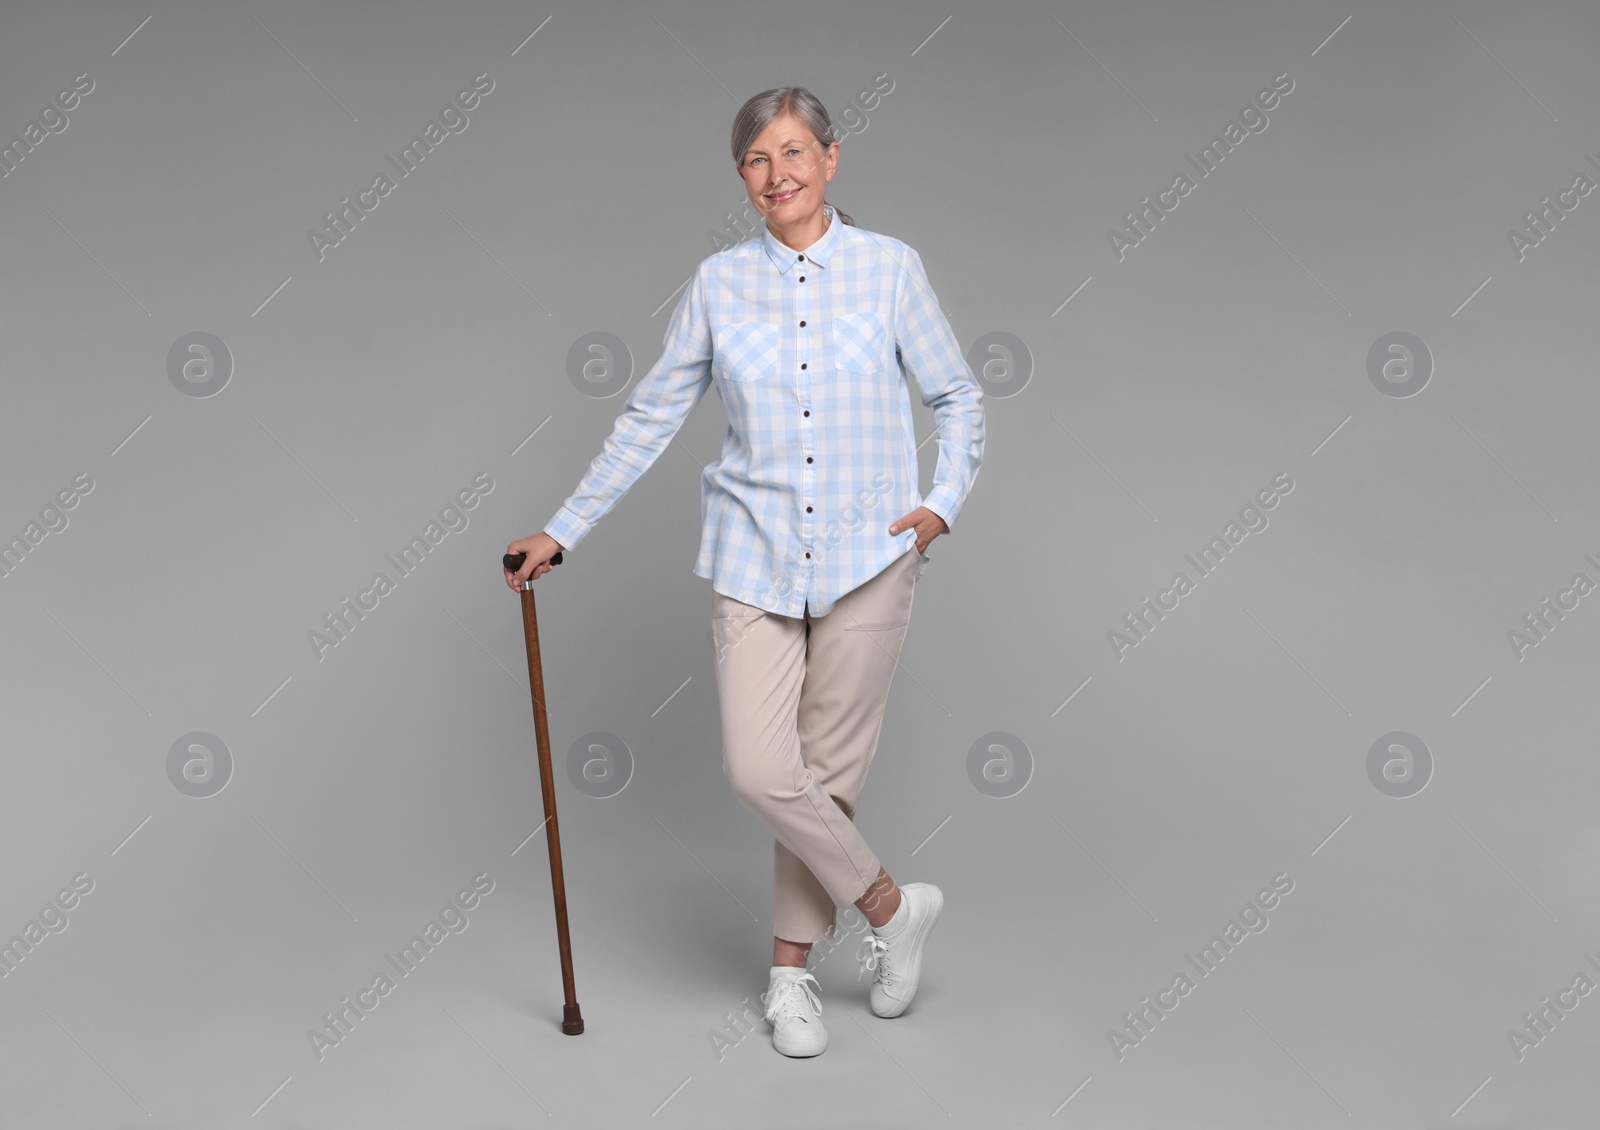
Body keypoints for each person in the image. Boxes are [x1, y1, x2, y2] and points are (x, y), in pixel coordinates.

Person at [504, 86, 984, 1058]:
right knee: (763, 769)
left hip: (869, 560)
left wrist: (942, 501)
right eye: (759, 160)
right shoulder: (719, 283)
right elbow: (651, 415)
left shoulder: (891, 270)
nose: (780, 174)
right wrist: (563, 526)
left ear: (832, 159)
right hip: (751, 556)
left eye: (795, 152)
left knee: (828, 779)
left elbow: (956, 394)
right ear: (742, 179)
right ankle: (894, 908)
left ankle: (790, 976)